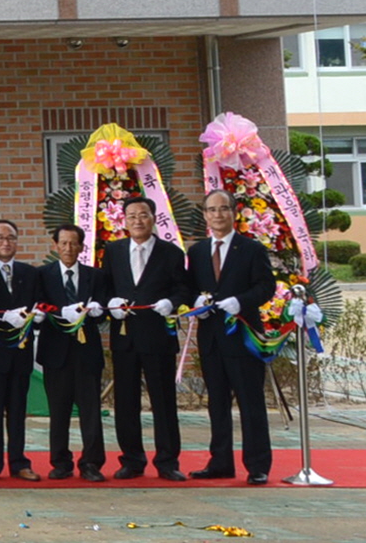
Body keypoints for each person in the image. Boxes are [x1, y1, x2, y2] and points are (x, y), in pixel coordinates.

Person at [188, 189, 277, 484]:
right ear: (205, 215)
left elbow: (266, 287)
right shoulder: (198, 251)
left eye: (223, 209)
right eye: (211, 210)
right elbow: (191, 289)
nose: (218, 215)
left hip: (243, 337)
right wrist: (195, 306)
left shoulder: (251, 249)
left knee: (250, 401)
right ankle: (220, 461)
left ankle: (258, 465)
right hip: (212, 339)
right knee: (217, 403)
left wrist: (241, 301)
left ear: (234, 212)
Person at [105, 195, 189, 481]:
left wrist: (171, 303)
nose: (137, 220)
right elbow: (104, 288)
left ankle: (167, 461)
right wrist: (111, 304)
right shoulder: (113, 251)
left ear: (153, 218)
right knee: (125, 402)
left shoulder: (172, 253)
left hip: (158, 338)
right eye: (131, 216)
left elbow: (183, 290)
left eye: (143, 215)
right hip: (125, 337)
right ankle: (132, 460)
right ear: (124, 221)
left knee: (163, 402)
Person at [37, 224, 109, 482]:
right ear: (55, 245)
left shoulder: (95, 276)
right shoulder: (42, 275)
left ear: (81, 246)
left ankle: (91, 463)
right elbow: (38, 310)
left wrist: (100, 309)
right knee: (58, 411)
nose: (68, 248)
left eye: (74, 243)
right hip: (55, 353)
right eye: (63, 243)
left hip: (86, 352)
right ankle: (60, 462)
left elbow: (104, 309)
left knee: (90, 411)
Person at [0, 219, 43, 481]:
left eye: (11, 237)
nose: (5, 242)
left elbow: (39, 303)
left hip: (20, 352)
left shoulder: (29, 273)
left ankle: (19, 462)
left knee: (17, 410)